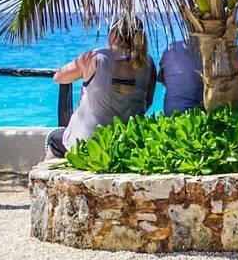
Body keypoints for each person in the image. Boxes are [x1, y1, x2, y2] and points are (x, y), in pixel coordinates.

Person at [47, 15, 157, 158]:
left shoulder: (95, 57)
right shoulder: (148, 63)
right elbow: (147, 102)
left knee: (55, 140)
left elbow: (59, 77)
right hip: (126, 145)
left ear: (113, 34)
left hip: (87, 144)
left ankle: (41, 179)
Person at [159, 38, 203, 114]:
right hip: (200, 113)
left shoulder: (171, 48)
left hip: (171, 113)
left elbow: (163, 80)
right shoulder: (209, 52)